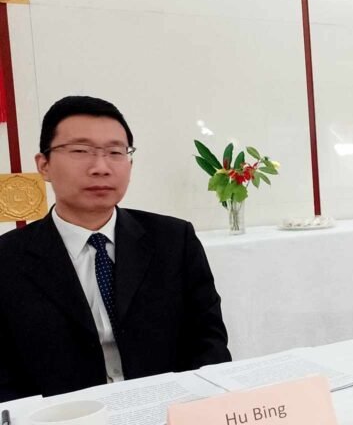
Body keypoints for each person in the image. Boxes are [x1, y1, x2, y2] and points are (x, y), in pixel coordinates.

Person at [0, 96, 231, 402]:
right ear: (44, 165)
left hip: (168, 410)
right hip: (62, 419)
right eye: (80, 151)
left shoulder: (174, 240)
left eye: (115, 152)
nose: (101, 167)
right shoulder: (8, 259)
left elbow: (208, 340)